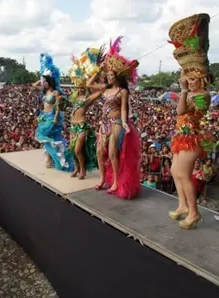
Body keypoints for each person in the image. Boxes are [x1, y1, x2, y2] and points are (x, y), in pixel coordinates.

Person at [167, 13, 212, 230]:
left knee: (184, 175)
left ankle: (194, 213)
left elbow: (181, 110)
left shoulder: (203, 95)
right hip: (180, 137)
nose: (190, 82)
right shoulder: (193, 93)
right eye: (188, 78)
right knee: (175, 172)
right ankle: (183, 205)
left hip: (191, 139)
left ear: (202, 78)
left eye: (193, 79)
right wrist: (185, 89)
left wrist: (184, 89)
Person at [87, 37, 141, 199]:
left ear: (117, 76)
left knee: (112, 152)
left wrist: (125, 122)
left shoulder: (122, 91)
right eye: (107, 74)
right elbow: (89, 85)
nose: (108, 77)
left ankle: (116, 181)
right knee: (99, 151)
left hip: (117, 121)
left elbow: (124, 108)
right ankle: (103, 179)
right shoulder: (104, 88)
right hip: (104, 122)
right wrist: (99, 69)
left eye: (111, 75)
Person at [32, 53, 74, 171]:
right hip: (43, 116)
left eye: (45, 81)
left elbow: (58, 106)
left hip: (52, 117)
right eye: (43, 81)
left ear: (50, 81)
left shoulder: (56, 92)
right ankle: (50, 160)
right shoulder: (44, 92)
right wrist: (42, 76)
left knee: (43, 136)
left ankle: (52, 159)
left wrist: (56, 117)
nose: (43, 83)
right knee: (51, 139)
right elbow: (32, 85)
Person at [67, 48, 104, 179]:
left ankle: (83, 170)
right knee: (73, 151)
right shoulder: (74, 98)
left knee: (78, 149)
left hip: (82, 126)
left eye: (80, 85)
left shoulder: (87, 99)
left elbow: (100, 91)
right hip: (73, 126)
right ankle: (76, 168)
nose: (78, 87)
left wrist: (97, 72)